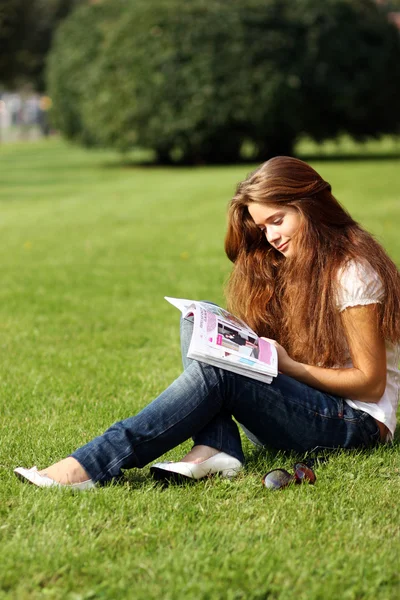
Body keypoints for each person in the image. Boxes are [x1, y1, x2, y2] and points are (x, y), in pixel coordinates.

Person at [14, 156, 400, 489]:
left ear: (309, 205)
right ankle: (216, 447)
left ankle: (91, 464)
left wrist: (288, 365)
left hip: (356, 425)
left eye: (277, 220)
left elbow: (370, 384)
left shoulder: (353, 271)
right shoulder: (297, 262)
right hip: (308, 407)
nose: (271, 237)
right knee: (196, 322)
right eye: (263, 227)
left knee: (219, 373)